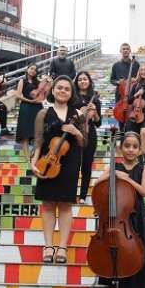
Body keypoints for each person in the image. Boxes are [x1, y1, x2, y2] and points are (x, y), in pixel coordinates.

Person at [31, 76, 86, 264]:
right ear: (52, 90)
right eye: (59, 88)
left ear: (71, 93)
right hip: (47, 161)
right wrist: (33, 162)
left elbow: (84, 141)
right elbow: (38, 141)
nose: (63, 91)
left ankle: (62, 246)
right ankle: (48, 246)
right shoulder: (43, 114)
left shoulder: (78, 114)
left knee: (65, 205)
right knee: (47, 205)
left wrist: (76, 131)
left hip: (69, 162)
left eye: (67, 89)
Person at [97, 131, 145, 288]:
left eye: (135, 147)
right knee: (115, 253)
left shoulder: (143, 168)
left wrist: (127, 179)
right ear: (120, 149)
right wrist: (112, 173)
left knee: (135, 253)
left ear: (139, 150)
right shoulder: (114, 167)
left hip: (135, 216)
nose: (131, 150)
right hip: (115, 217)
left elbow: (144, 191)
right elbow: (97, 183)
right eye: (127, 146)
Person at [74, 71, 102, 204]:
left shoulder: (95, 99)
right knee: (73, 165)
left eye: (85, 79)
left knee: (86, 165)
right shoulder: (73, 97)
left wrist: (95, 111)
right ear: (76, 82)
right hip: (74, 133)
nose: (82, 81)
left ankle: (83, 195)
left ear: (89, 81)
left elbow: (98, 122)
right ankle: (71, 192)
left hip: (90, 134)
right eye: (80, 79)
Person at [15, 64, 44, 159]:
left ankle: (33, 156)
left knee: (38, 134)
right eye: (31, 68)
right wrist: (30, 101)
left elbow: (42, 95)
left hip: (37, 108)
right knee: (25, 135)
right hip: (26, 108)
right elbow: (18, 95)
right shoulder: (22, 81)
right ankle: (28, 160)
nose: (33, 71)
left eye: (35, 70)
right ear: (27, 69)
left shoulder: (38, 82)